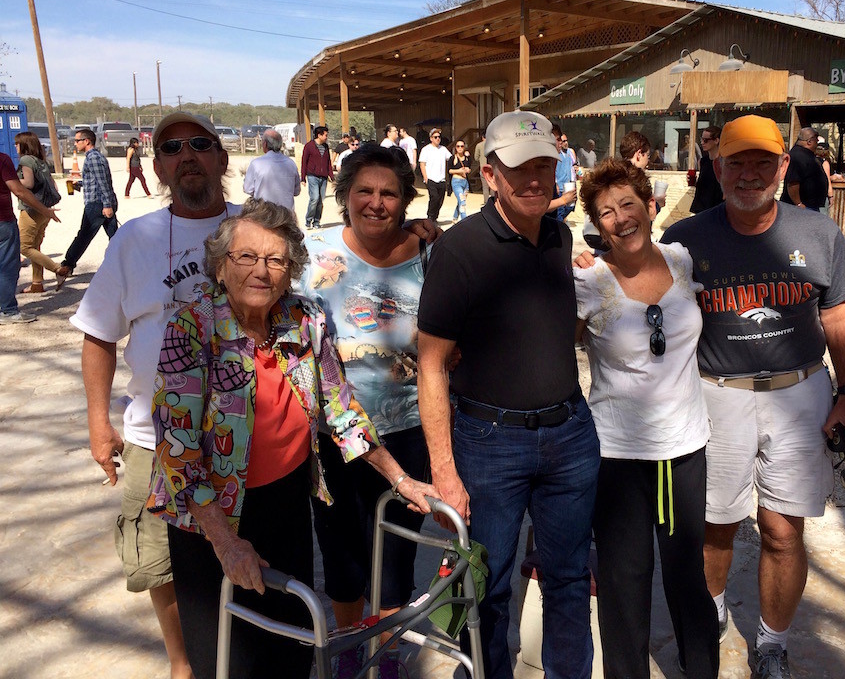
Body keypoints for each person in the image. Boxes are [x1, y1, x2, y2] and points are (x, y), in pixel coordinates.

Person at [148, 198, 439, 679]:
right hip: (208, 514)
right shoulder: (191, 328)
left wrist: (400, 478)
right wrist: (225, 542)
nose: (261, 271)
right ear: (221, 267)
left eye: (276, 260)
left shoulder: (304, 319)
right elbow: (177, 450)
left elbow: (341, 408)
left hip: (284, 502)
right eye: (246, 257)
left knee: (290, 648)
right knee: (227, 655)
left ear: (291, 271)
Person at [660, 115, 845, 679]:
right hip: (715, 394)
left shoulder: (816, 233)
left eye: (762, 162)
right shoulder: (685, 238)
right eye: (737, 162)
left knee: (783, 529)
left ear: (783, 166)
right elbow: (648, 307)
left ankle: (772, 643)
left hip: (799, 392)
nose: (749, 174)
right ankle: (709, 628)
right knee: (716, 525)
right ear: (717, 166)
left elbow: (837, 311)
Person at [417, 110, 600, 679]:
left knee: (570, 579)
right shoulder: (460, 250)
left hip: (570, 435)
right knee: (487, 587)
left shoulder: (559, 234)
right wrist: (444, 470)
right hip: (490, 443)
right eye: (519, 167)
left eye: (544, 165)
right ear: (489, 174)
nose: (534, 178)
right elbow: (430, 365)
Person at [70, 112, 233, 679]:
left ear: (222, 157)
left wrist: (416, 236)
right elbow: (97, 334)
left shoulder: (259, 226)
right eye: (170, 148)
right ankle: (183, 663)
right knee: (159, 562)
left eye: (199, 144)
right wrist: (98, 423)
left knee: (246, 555)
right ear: (158, 166)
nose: (186, 154)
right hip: (152, 437)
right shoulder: (135, 240)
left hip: (245, 437)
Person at [575, 159, 719, 679]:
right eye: (605, 212)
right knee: (623, 581)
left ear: (650, 206)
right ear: (596, 223)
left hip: (683, 449)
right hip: (616, 455)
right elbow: (549, 341)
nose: (620, 219)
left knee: (687, 577)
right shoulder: (588, 281)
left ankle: (701, 669)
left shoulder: (681, 260)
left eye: (628, 205)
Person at [300, 144, 435, 679]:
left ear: (405, 201)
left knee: (399, 552)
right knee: (342, 550)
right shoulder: (314, 251)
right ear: (345, 195)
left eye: (389, 193)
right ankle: (352, 645)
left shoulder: (430, 253)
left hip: (408, 426)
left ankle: (389, 648)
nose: (376, 203)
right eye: (365, 191)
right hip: (333, 429)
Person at [1, 150, 60, 324]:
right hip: (2, 221)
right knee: (7, 267)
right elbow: (18, 190)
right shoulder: (2, 160)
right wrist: (45, 210)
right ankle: (7, 310)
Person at [15, 131, 69, 294]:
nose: (15, 147)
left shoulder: (25, 160)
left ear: (24, 145)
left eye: (17, 144)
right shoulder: (41, 161)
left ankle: (58, 269)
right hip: (44, 210)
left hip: (31, 209)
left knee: (24, 247)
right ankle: (37, 282)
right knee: (36, 246)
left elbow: (28, 183)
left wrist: (10, 180)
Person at [61, 128, 118, 274]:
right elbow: (94, 180)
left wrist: (107, 205)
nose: (75, 143)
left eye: (77, 140)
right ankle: (124, 263)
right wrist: (79, 184)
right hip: (101, 202)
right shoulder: (93, 157)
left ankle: (67, 265)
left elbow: (103, 182)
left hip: (98, 204)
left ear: (87, 141)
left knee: (84, 235)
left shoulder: (93, 158)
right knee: (116, 237)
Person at [243, 129, 302, 212]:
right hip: (286, 214)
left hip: (263, 213)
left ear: (265, 144)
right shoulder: (291, 163)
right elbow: (296, 191)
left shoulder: (256, 163)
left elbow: (247, 189)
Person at [780, 126, 830, 212]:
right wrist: (798, 203)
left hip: (810, 206)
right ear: (809, 141)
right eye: (816, 138)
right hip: (800, 208)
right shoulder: (797, 156)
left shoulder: (807, 154)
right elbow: (793, 183)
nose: (818, 141)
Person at [301, 125, 332, 229]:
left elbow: (328, 162)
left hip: (323, 177)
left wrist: (331, 176)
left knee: (320, 200)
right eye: (325, 135)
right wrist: (303, 177)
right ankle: (308, 220)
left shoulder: (326, 147)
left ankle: (316, 221)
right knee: (314, 198)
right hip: (312, 176)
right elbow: (304, 162)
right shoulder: (309, 146)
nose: (327, 137)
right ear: (319, 135)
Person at [418, 128, 451, 222]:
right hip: (430, 178)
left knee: (440, 200)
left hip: (441, 179)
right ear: (431, 138)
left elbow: (451, 159)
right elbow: (422, 164)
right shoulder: (426, 149)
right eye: (435, 137)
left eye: (439, 137)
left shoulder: (443, 149)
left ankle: (435, 217)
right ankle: (430, 216)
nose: (438, 139)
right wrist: (426, 178)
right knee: (434, 197)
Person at [690, 126, 723, 214]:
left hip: (718, 206)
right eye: (701, 139)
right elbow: (704, 185)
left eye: (706, 140)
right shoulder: (703, 161)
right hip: (701, 207)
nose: (702, 143)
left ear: (716, 141)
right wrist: (693, 182)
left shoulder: (724, 162)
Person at [548, 125, 577, 221]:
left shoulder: (569, 153)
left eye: (563, 140)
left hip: (568, 186)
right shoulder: (545, 163)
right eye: (558, 139)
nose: (561, 142)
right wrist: (563, 200)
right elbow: (538, 207)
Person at [447, 139, 472, 222]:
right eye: (458, 146)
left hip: (465, 182)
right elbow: (449, 170)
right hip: (456, 181)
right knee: (462, 201)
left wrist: (468, 170)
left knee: (461, 201)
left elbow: (470, 167)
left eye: (462, 146)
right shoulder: (453, 158)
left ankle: (455, 218)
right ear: (455, 148)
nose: (460, 148)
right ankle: (464, 221)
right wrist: (459, 171)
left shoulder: (467, 158)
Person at [815, 138, 836, 208]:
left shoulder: (809, 159)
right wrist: (830, 195)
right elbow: (827, 179)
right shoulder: (824, 163)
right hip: (820, 195)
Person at [473, 135, 491, 201]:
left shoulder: (479, 145)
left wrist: (481, 159)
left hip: (483, 167)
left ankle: (486, 202)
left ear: (482, 137)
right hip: (492, 167)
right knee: (493, 186)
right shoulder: (492, 144)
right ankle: (493, 201)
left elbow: (476, 157)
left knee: (485, 187)